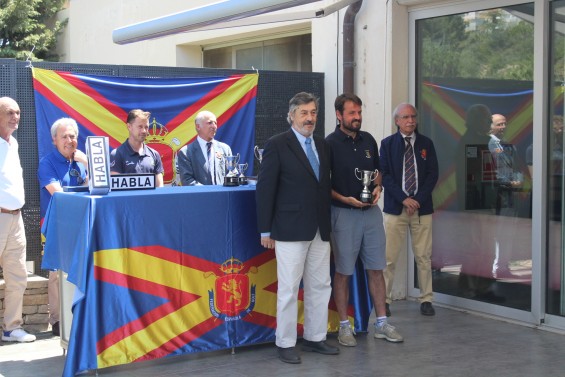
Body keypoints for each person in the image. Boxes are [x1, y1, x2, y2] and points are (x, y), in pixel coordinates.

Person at [256, 92, 339, 364]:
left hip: (319, 228)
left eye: (313, 112)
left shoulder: (321, 145)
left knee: (320, 285)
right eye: (303, 112)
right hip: (289, 228)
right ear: (291, 115)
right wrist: (265, 230)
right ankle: (286, 342)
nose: (310, 118)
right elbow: (265, 189)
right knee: (289, 289)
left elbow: (323, 186)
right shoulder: (277, 144)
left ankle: (316, 337)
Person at [326, 93, 403, 346]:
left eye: (359, 112)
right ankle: (345, 327)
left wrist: (378, 188)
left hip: (371, 215)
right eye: (351, 113)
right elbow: (323, 186)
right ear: (339, 115)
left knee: (376, 269)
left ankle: (381, 323)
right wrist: (345, 199)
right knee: (343, 272)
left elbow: (379, 171)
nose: (357, 117)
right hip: (343, 214)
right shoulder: (329, 144)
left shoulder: (369, 139)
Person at [380, 103, 438, 316]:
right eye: (405, 117)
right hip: (396, 209)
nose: (410, 121)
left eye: (413, 116)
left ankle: (426, 299)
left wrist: (417, 200)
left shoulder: (426, 144)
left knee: (424, 256)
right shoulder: (387, 144)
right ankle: (384, 301)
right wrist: (405, 199)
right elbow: (385, 176)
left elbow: (433, 175)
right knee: (388, 258)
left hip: (422, 209)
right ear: (397, 121)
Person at [38, 118, 88, 336]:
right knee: (56, 275)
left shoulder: (80, 161)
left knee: (81, 270)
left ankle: (80, 315)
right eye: (65, 136)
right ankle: (58, 320)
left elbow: (94, 188)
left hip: (82, 224)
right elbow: (58, 194)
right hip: (57, 227)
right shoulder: (46, 163)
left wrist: (88, 163)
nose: (70, 141)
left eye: (73, 136)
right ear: (54, 140)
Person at [0, 97, 36, 343]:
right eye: (10, 112)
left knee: (18, 275)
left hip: (16, 219)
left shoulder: (14, 143)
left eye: (18, 112)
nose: (16, 117)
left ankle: (11, 328)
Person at [110, 109, 164, 187]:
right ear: (129, 126)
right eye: (140, 127)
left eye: (146, 127)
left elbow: (160, 189)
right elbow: (115, 189)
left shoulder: (154, 154)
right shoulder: (117, 154)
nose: (144, 131)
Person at [176, 111, 232, 186]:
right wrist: (208, 192)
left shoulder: (225, 149)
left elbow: (231, 173)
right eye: (210, 123)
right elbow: (187, 180)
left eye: (215, 123)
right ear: (198, 126)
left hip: (223, 196)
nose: (214, 126)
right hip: (200, 197)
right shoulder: (186, 152)